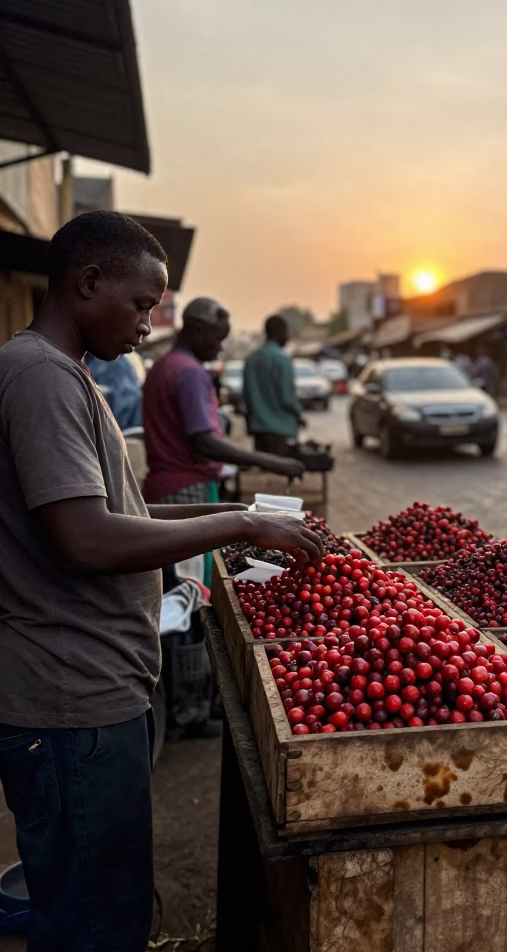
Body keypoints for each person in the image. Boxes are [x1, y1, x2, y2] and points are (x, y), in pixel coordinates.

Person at [0, 211, 323, 952]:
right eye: (143, 305)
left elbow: (116, 511)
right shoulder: (41, 378)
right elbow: (84, 540)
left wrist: (231, 524)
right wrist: (241, 525)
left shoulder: (64, 375)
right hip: (67, 699)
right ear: (88, 282)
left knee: (99, 902)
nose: (150, 325)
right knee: (95, 922)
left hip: (88, 688)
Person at [142, 298, 305, 516]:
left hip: (164, 487)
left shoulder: (165, 365)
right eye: (217, 339)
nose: (219, 348)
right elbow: (204, 443)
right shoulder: (189, 372)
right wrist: (271, 462)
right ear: (198, 330)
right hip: (185, 488)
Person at [243, 314, 306, 457]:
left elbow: (246, 397)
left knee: (263, 469)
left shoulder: (251, 360)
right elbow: (287, 399)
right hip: (282, 430)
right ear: (280, 332)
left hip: (258, 430)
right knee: (280, 472)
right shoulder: (282, 360)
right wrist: (299, 415)